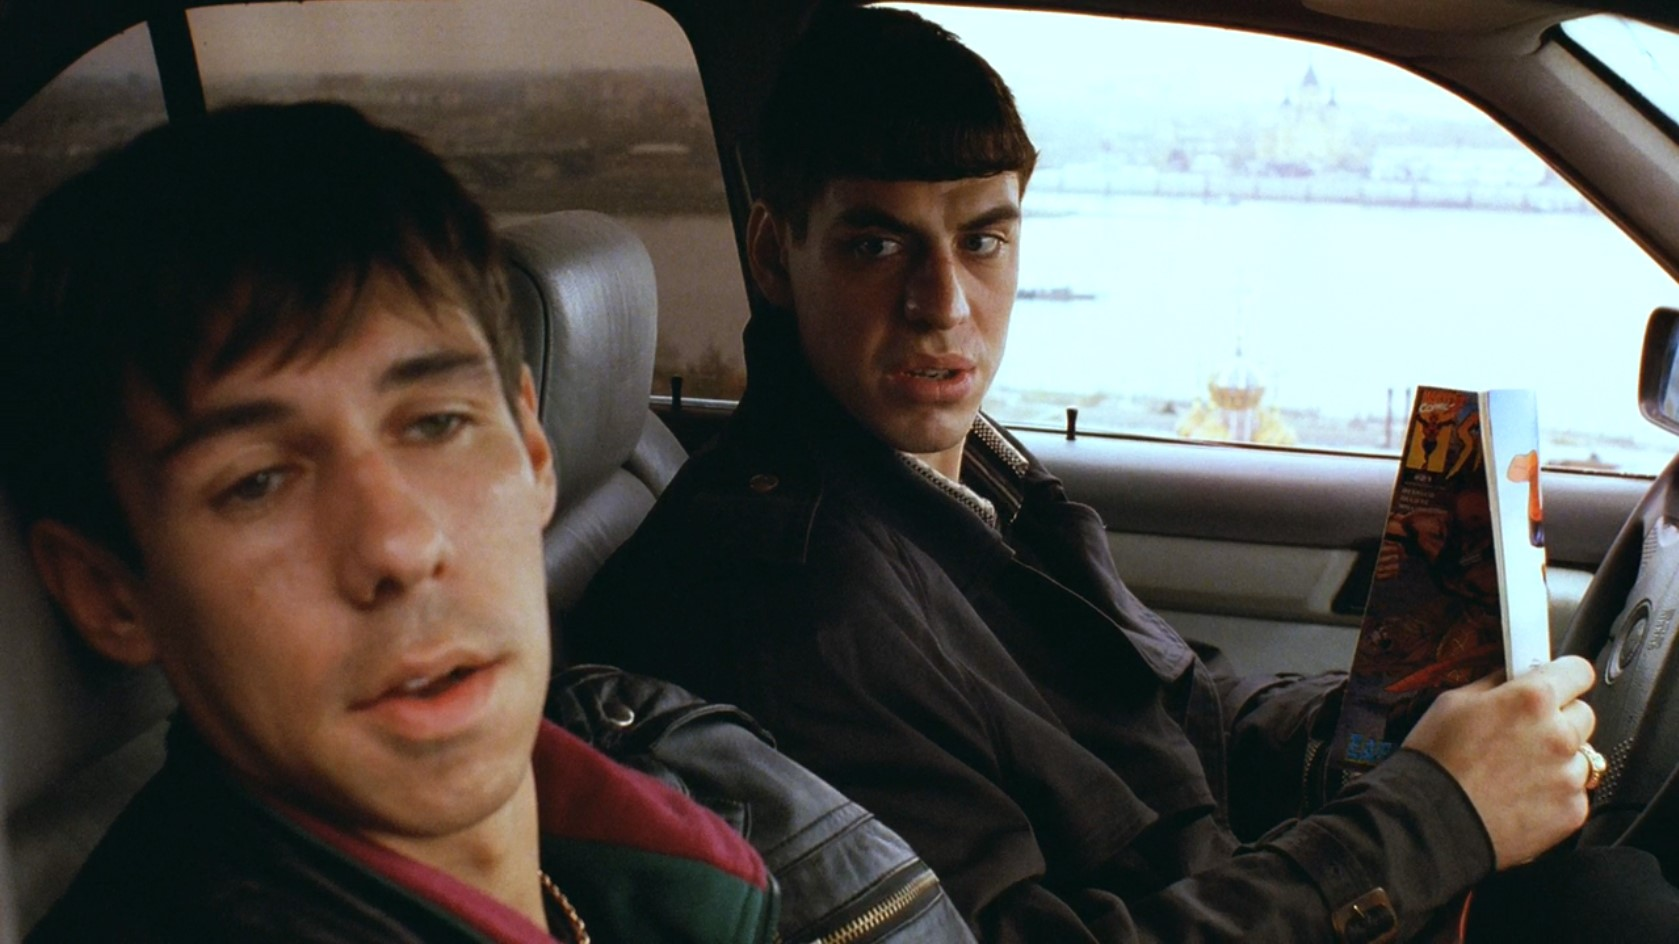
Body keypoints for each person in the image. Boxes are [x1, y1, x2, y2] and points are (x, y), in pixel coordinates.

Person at [568, 7, 1637, 941]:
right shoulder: (788, 606)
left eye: (982, 241)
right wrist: (1432, 815)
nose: (943, 305)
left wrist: (1385, 727)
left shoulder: (953, 478)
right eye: (875, 247)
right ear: (772, 254)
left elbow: (1170, 715)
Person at [0, 102, 783, 943]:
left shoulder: (661, 836)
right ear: (109, 593)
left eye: (437, 424)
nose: (401, 547)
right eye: (257, 483)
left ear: (532, 449)